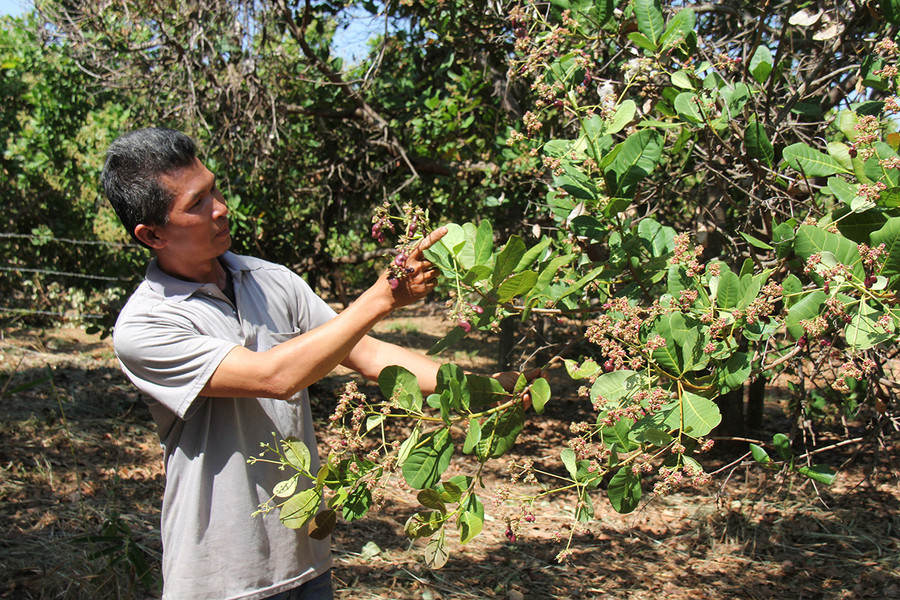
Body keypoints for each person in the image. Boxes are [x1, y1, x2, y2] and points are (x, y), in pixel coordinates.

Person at [101, 127, 480, 600]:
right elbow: (274, 377)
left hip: (306, 561)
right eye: (196, 203)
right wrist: (381, 298)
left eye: (214, 189)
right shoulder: (146, 326)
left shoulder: (270, 280)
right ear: (151, 234)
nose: (220, 207)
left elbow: (369, 354)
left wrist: (484, 390)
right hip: (222, 578)